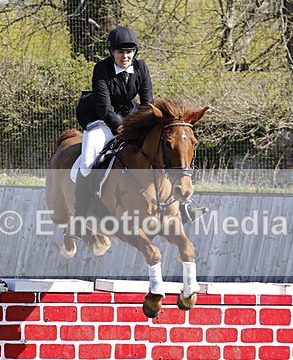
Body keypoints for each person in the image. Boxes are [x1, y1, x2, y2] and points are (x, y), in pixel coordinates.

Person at [72, 26, 206, 233]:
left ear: (135, 52)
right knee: (89, 161)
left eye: (129, 52)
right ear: (112, 52)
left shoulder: (141, 68)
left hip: (131, 117)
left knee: (162, 152)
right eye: (120, 52)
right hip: (101, 121)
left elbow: (147, 103)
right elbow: (105, 108)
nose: (125, 56)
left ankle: (183, 206)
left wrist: (143, 126)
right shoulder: (102, 69)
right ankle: (79, 218)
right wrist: (122, 130)